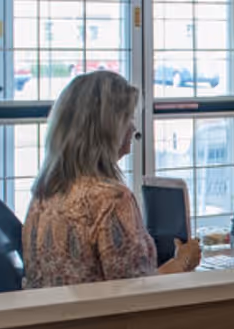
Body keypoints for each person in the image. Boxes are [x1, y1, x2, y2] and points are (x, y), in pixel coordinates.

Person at [23, 70, 201, 288]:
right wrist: (182, 261)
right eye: (128, 118)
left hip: (60, 318)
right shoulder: (111, 198)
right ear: (106, 128)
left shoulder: (44, 192)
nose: (133, 127)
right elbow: (138, 291)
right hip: (104, 320)